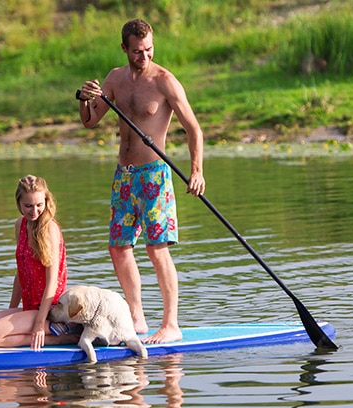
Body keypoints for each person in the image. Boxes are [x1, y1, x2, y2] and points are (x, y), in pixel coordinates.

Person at [76, 18, 205, 344]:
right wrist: (83, 97)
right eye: (137, 51)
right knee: (118, 248)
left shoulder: (165, 81)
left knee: (156, 248)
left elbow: (194, 128)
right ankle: (137, 317)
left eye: (148, 49)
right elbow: (90, 121)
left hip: (154, 177)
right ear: (124, 49)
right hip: (124, 176)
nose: (143, 56)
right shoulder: (115, 79)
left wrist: (197, 171)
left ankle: (171, 324)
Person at [0, 175, 80, 349]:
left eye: (39, 205)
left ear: (46, 201)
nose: (34, 211)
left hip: (50, 309)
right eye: (28, 206)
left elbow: (52, 283)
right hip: (29, 306)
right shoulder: (20, 224)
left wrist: (38, 324)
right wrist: (9, 311)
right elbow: (21, 272)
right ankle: (35, 329)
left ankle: (58, 336)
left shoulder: (50, 228)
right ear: (19, 204)